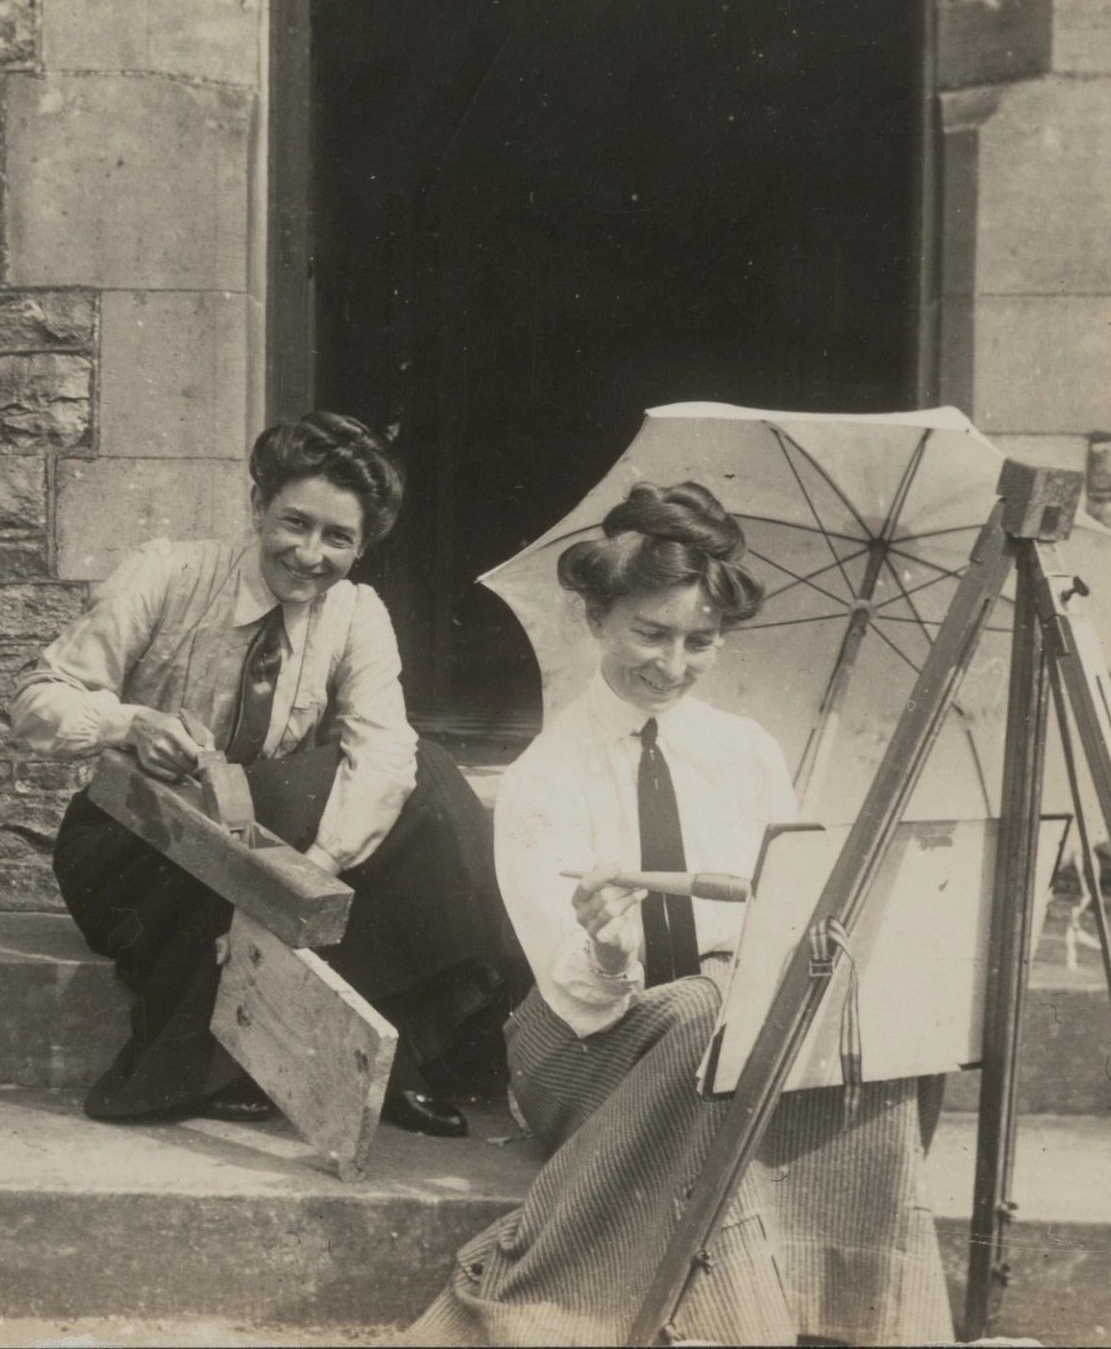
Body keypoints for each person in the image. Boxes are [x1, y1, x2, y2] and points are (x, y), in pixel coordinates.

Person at [409, 480, 955, 1345]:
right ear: (596, 620)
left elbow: (785, 921)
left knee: (867, 1030)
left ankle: (863, 1311)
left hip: (720, 1031)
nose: (671, 664)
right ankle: (730, 1318)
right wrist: (610, 948)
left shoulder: (746, 754)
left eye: (700, 641)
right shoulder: (545, 775)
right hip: (582, 1045)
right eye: (650, 633)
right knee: (708, 1014)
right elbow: (579, 995)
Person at [11, 412, 526, 1137]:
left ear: (363, 545)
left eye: (338, 538)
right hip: (135, 851)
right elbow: (34, 703)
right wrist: (129, 724)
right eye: (295, 523)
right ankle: (209, 1063)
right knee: (288, 800)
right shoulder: (168, 572)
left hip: (259, 852)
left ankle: (404, 1043)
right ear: (258, 508)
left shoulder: (355, 615)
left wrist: (307, 881)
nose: (310, 554)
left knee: (423, 778)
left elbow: (384, 758)